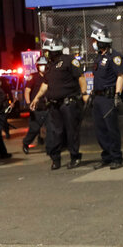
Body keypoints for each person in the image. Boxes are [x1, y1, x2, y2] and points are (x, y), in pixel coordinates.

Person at [32, 38, 86, 170]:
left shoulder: (69, 61)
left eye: (47, 51)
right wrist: (37, 98)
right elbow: (45, 84)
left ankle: (75, 157)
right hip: (54, 105)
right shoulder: (50, 65)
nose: (46, 54)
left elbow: (81, 77)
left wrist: (85, 94)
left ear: (54, 51)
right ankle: (55, 159)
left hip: (68, 103)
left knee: (71, 131)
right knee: (55, 132)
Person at [89, 23, 123, 170]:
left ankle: (117, 157)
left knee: (112, 129)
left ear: (101, 41)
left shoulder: (115, 57)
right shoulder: (99, 57)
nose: (93, 44)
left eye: (95, 41)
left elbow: (120, 75)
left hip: (108, 98)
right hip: (97, 98)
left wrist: (117, 95)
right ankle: (107, 157)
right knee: (100, 130)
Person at [21, 56, 48, 153]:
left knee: (51, 127)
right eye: (41, 65)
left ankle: (51, 146)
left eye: (44, 65)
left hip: (48, 106)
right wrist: (28, 103)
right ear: (37, 66)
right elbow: (27, 91)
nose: (43, 67)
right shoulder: (33, 77)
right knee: (34, 128)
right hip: (36, 107)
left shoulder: (49, 76)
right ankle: (26, 143)